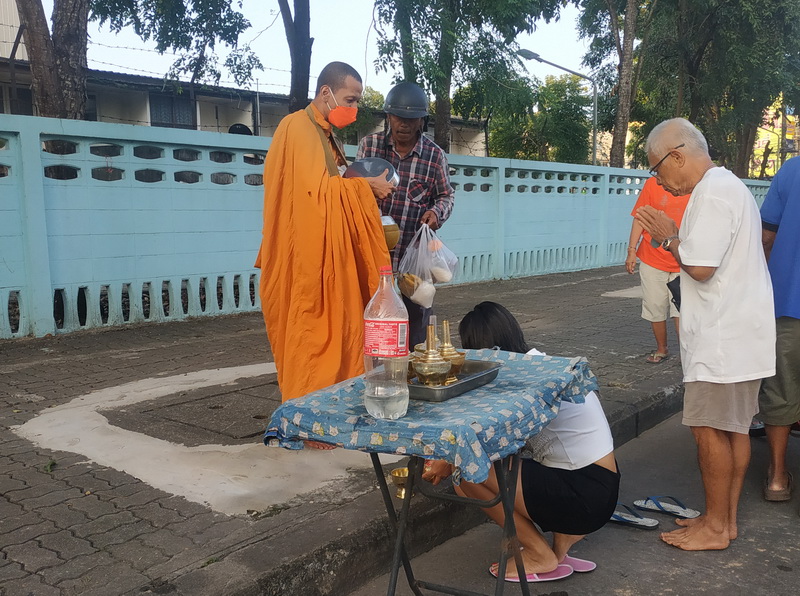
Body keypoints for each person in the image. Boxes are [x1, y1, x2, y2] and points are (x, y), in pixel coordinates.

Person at [635, 118, 775, 550]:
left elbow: (699, 266)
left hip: (721, 340)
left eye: (657, 168)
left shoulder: (713, 192)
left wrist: (667, 237)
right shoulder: (727, 187)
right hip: (739, 335)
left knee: (708, 429)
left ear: (677, 156)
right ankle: (723, 522)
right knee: (733, 429)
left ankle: (716, 526)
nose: (659, 180)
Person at [423, 302, 619, 583]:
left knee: (465, 472)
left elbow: (485, 439)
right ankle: (557, 551)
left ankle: (539, 553)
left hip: (583, 497)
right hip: (600, 488)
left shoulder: (522, 382)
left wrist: (447, 459)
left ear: (482, 350)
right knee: (480, 468)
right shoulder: (538, 364)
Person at [255, 62, 395, 426]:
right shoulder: (297, 128)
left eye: (357, 101)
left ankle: (333, 419)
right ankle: (308, 423)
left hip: (328, 257)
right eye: (350, 99)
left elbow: (332, 188)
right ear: (325, 93)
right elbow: (312, 196)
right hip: (307, 262)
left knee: (345, 335)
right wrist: (365, 188)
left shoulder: (326, 134)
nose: (354, 108)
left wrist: (359, 187)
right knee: (312, 342)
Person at [357, 82, 455, 348]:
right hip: (373, 255)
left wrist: (436, 213)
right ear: (389, 117)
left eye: (411, 120)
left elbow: (446, 196)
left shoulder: (434, 156)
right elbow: (353, 189)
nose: (403, 124)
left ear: (421, 121)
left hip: (414, 259)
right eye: (398, 117)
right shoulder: (370, 146)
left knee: (417, 327)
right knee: (374, 322)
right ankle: (377, 367)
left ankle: (416, 366)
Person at [757, 155, 800, 503]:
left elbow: (766, 237)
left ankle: (776, 477)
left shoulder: (793, 169)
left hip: (787, 300)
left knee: (780, 388)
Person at [625, 177, 691, 363]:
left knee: (682, 309)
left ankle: (686, 354)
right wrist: (632, 250)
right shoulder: (653, 184)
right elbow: (640, 218)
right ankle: (662, 348)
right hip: (652, 257)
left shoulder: (693, 184)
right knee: (655, 305)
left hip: (683, 259)